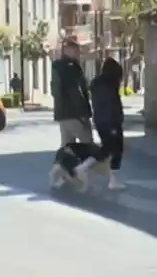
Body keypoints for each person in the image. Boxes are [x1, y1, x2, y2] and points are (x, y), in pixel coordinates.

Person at [80, 57, 126, 191]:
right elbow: (113, 104)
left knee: (109, 148)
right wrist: (118, 119)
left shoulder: (96, 84)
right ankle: (86, 167)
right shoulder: (110, 85)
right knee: (114, 149)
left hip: (100, 120)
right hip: (111, 121)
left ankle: (88, 168)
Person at [51, 38, 94, 148]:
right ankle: (85, 165)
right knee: (89, 146)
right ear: (67, 50)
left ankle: (61, 165)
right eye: (76, 50)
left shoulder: (57, 67)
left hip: (63, 115)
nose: (78, 53)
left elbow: (55, 91)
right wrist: (83, 113)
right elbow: (76, 91)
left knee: (68, 147)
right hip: (76, 115)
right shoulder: (72, 68)